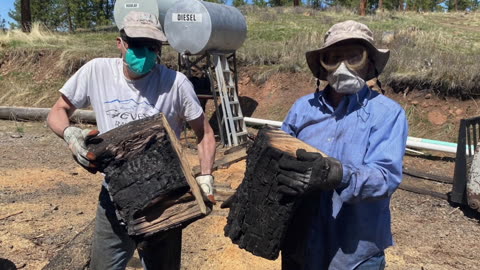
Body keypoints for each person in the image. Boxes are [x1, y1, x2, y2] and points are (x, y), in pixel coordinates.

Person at [46, 11, 216, 270]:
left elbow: (204, 132)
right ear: (120, 43)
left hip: (166, 198)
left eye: (153, 47)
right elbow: (57, 112)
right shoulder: (97, 72)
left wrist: (205, 176)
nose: (146, 52)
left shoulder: (176, 84)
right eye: (137, 45)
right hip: (115, 196)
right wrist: (70, 135)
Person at [278, 20, 408, 270]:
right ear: (323, 65)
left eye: (353, 57)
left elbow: (386, 177)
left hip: (355, 252)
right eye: (334, 58)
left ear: (369, 63)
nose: (343, 67)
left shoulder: (387, 114)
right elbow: (279, 157)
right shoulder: (302, 109)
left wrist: (339, 175)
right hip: (300, 240)